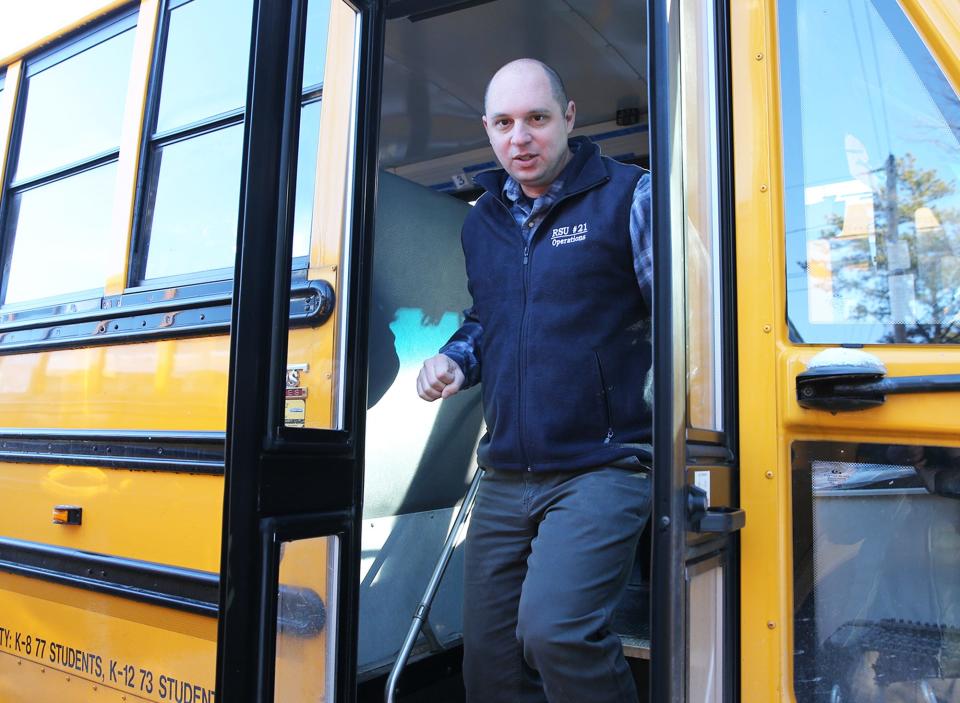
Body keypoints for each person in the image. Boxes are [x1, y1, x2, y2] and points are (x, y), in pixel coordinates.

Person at [416, 58, 653, 703]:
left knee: (555, 634)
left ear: (569, 118)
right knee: (486, 670)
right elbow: (488, 322)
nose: (520, 139)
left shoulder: (632, 196)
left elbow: (687, 322)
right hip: (505, 475)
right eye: (504, 123)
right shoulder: (481, 221)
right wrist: (454, 360)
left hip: (603, 465)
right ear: (487, 130)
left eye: (537, 119)